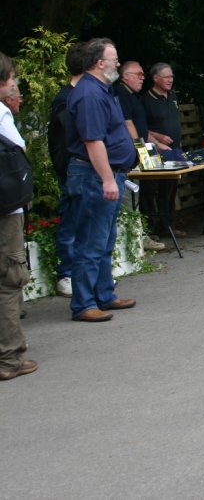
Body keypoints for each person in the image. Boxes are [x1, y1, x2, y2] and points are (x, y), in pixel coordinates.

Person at [65, 37, 137, 322]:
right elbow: (93, 141)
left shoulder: (100, 90)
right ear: (99, 63)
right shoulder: (90, 95)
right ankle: (83, 304)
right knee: (90, 242)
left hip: (104, 175)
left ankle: (104, 294)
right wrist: (108, 179)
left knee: (104, 240)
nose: (117, 62)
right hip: (94, 176)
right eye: (114, 58)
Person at [0, 52, 37, 381]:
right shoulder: (0, 114)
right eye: (12, 80)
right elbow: (17, 155)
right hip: (5, 210)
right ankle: (9, 358)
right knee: (9, 281)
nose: (15, 86)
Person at [47, 44, 87, 297]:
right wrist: (67, 167)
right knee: (71, 221)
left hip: (81, 168)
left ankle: (82, 274)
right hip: (71, 169)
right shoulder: (66, 98)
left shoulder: (82, 94)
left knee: (85, 222)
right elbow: (68, 139)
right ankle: (67, 274)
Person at [114, 61, 165, 252]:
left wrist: (156, 143)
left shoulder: (134, 96)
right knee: (130, 195)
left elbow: (141, 126)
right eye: (139, 74)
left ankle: (140, 233)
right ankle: (135, 239)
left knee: (140, 191)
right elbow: (128, 124)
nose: (142, 78)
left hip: (137, 150)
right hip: (128, 154)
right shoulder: (121, 93)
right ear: (125, 76)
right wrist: (140, 150)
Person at [142, 62, 184, 238]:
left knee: (170, 186)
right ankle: (150, 228)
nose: (170, 80)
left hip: (173, 149)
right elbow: (139, 128)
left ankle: (168, 226)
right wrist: (158, 138)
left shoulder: (172, 96)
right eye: (166, 77)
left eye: (172, 76)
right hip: (150, 149)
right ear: (156, 78)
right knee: (150, 188)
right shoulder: (145, 100)